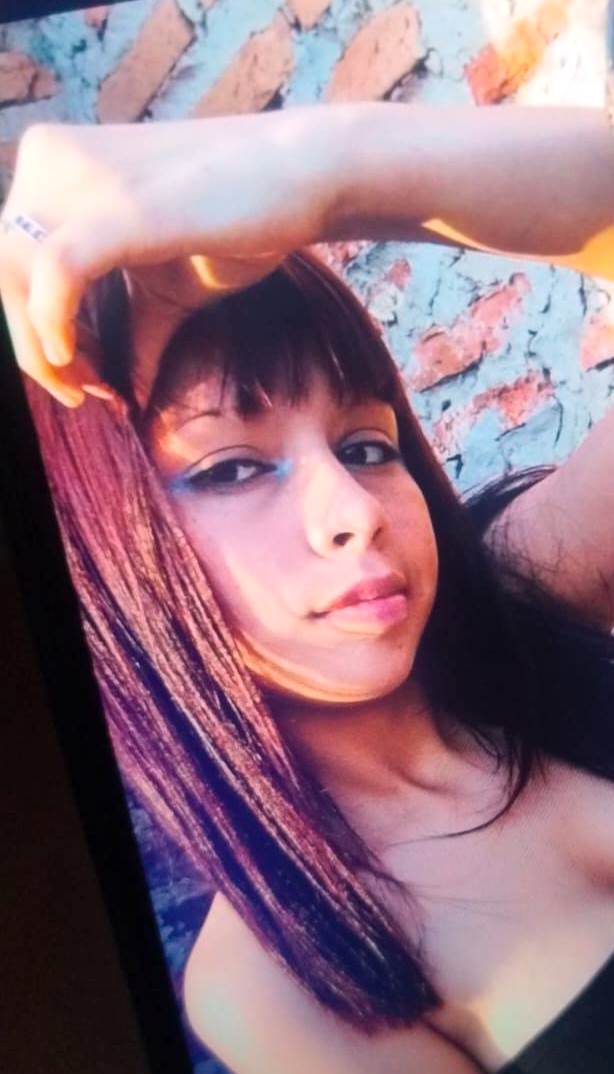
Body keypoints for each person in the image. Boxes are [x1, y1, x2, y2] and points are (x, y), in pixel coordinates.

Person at [2, 102, 614, 1074]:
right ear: (111, 552)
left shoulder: (527, 595)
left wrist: (322, 166)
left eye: (366, 446)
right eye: (232, 469)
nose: (352, 511)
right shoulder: (276, 984)